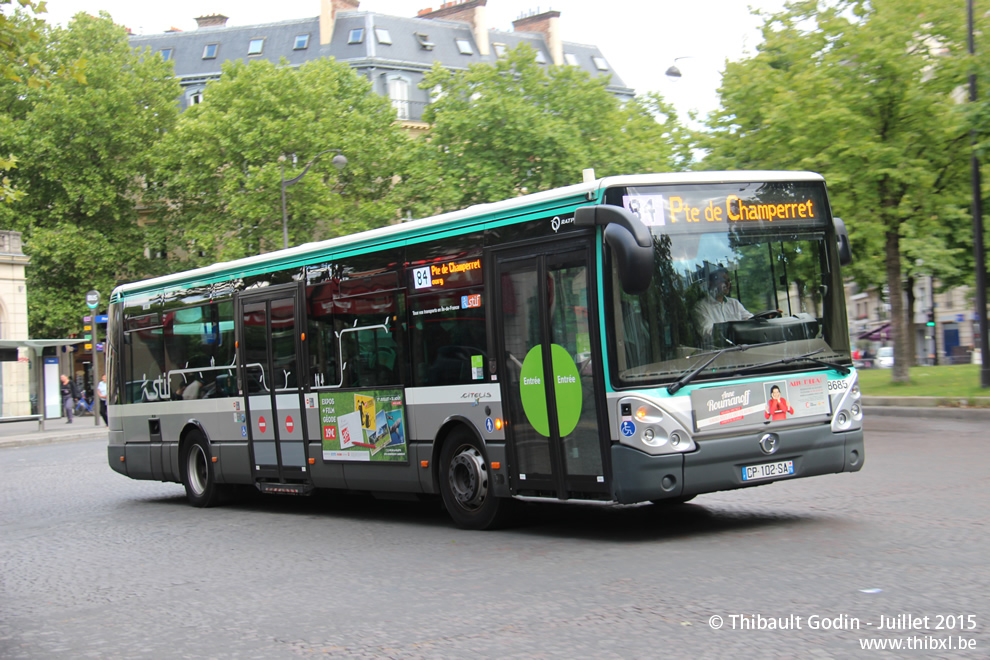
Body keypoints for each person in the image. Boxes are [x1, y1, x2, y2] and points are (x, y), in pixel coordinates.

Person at [695, 267, 752, 338]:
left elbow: (750, 320)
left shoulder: (734, 303)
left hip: (742, 347)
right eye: (723, 280)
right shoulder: (701, 307)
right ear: (710, 284)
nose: (727, 284)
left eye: (728, 280)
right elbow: (707, 332)